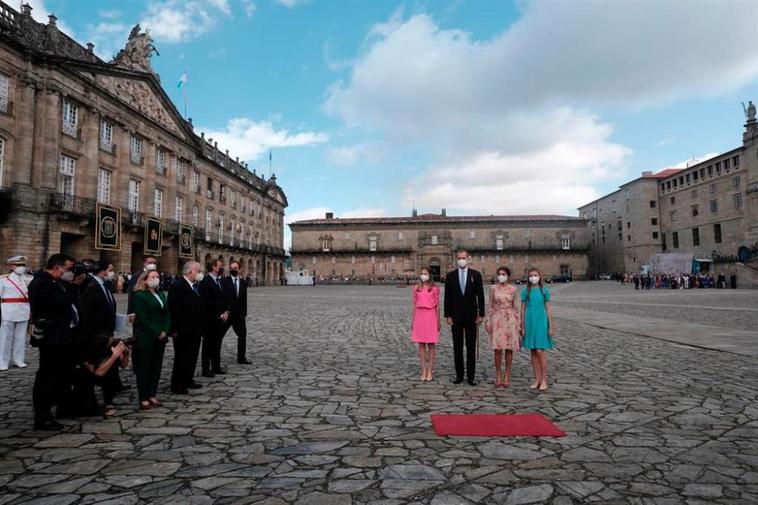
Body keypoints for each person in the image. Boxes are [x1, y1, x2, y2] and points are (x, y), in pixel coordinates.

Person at [27, 253, 78, 430]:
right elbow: (58, 303)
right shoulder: (42, 282)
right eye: (67, 269)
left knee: (55, 376)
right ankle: (42, 417)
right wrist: (73, 288)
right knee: (46, 378)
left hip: (60, 336)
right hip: (51, 337)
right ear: (57, 267)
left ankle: (53, 411)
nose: (68, 273)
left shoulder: (55, 282)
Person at [444, 250, 485, 386]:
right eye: (459, 258)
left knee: (471, 347)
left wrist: (481, 314)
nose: (461, 260)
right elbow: (447, 297)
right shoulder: (450, 276)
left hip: (471, 316)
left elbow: (481, 296)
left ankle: (471, 377)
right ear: (456, 259)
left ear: (468, 259)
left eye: (464, 258)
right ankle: (459, 375)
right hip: (455, 317)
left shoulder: (476, 275)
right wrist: (448, 315)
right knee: (457, 347)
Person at [131, 270, 170, 410]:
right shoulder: (140, 296)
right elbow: (142, 317)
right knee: (144, 368)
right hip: (146, 336)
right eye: (153, 277)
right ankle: (143, 397)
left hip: (161, 336)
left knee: (156, 367)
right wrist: (157, 331)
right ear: (145, 280)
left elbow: (167, 313)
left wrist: (165, 330)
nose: (156, 279)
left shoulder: (160, 294)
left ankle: (152, 394)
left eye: (158, 276)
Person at [168, 261, 205, 394]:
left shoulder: (195, 286)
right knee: (181, 358)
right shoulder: (178, 285)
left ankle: (188, 379)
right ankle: (177, 384)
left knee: (192, 356)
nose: (200, 273)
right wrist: (173, 329)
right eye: (198, 271)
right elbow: (173, 309)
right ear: (190, 271)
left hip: (195, 329)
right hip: (183, 329)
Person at [484, 266, 521, 388]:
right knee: (498, 349)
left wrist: (519, 324)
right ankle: (498, 375)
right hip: (497, 319)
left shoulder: (513, 289)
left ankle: (507, 375)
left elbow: (516, 307)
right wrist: (488, 321)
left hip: (510, 319)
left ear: (508, 275)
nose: (501, 275)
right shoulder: (493, 288)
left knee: (509, 349)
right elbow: (490, 306)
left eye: (503, 273)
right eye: (499, 273)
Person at [520, 267, 554, 392]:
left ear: (539, 276)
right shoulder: (525, 291)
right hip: (530, 321)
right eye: (531, 275)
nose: (533, 277)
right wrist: (522, 326)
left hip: (541, 321)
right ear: (528, 278)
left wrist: (551, 326)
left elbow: (548, 309)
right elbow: (522, 309)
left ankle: (545, 379)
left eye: (535, 275)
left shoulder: (544, 291)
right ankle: (537, 379)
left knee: (540, 350)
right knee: (533, 351)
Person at [81, 336, 130, 417]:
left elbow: (124, 365)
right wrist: (114, 355)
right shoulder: (96, 354)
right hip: (88, 375)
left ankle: (108, 402)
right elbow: (99, 372)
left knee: (112, 374)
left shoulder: (113, 350)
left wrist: (126, 354)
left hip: (104, 374)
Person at [198, 258, 230, 377]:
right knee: (207, 345)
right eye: (220, 266)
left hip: (220, 318)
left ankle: (216, 366)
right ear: (214, 267)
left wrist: (226, 311)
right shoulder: (205, 281)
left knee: (217, 343)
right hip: (210, 319)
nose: (222, 267)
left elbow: (224, 298)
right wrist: (219, 314)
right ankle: (206, 369)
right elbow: (206, 302)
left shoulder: (219, 281)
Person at [0, 256, 31, 370]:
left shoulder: (29, 279)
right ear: (12, 266)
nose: (21, 268)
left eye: (23, 265)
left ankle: (19, 359)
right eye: (18, 265)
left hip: (24, 310)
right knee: (5, 338)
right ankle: (3, 361)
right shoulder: (3, 279)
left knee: (21, 337)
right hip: (8, 310)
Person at [410, 267, 440, 382]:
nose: (423, 275)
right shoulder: (416, 288)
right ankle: (423, 369)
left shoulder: (434, 288)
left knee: (431, 345)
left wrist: (438, 321)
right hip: (419, 316)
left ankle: (430, 370)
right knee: (421, 345)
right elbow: (414, 305)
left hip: (430, 316)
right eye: (422, 273)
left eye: (425, 273)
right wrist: (413, 321)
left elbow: (437, 305)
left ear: (429, 275)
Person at [220, 261, 251, 364]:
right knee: (219, 336)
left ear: (239, 269)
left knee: (242, 336)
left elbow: (244, 299)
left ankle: (241, 357)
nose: (233, 269)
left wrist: (244, 313)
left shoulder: (243, 282)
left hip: (239, 315)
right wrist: (223, 311)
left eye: (235, 268)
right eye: (231, 268)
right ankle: (214, 356)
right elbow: (222, 298)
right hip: (227, 314)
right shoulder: (224, 281)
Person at [126, 255, 158, 323]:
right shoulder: (137, 275)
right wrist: (131, 312)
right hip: (140, 308)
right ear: (144, 263)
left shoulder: (156, 275)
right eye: (150, 262)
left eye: (154, 263)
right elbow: (131, 293)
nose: (152, 264)